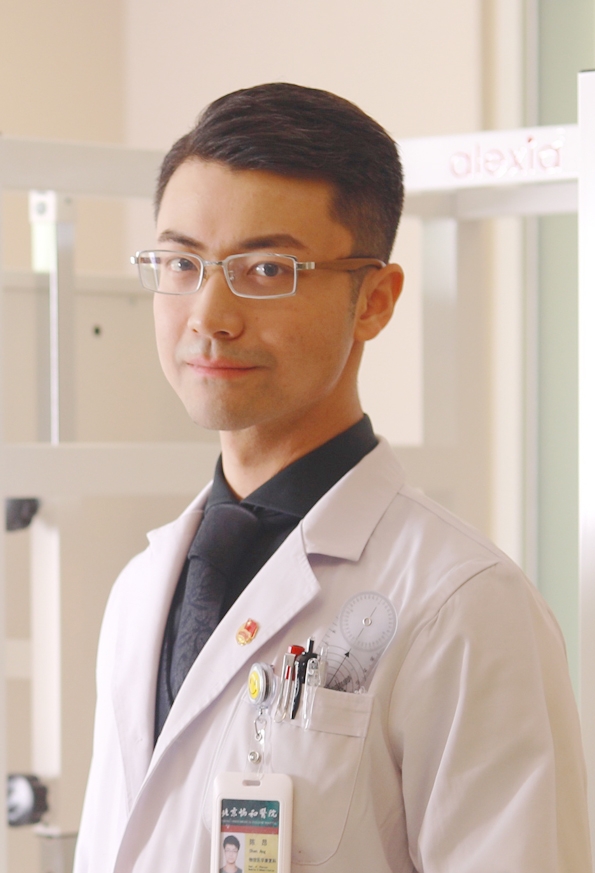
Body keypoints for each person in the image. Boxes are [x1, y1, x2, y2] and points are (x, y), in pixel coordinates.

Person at [74, 83, 591, 873]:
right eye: (182, 263)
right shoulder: (141, 588)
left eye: (266, 268)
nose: (208, 314)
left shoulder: (462, 605)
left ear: (374, 300)